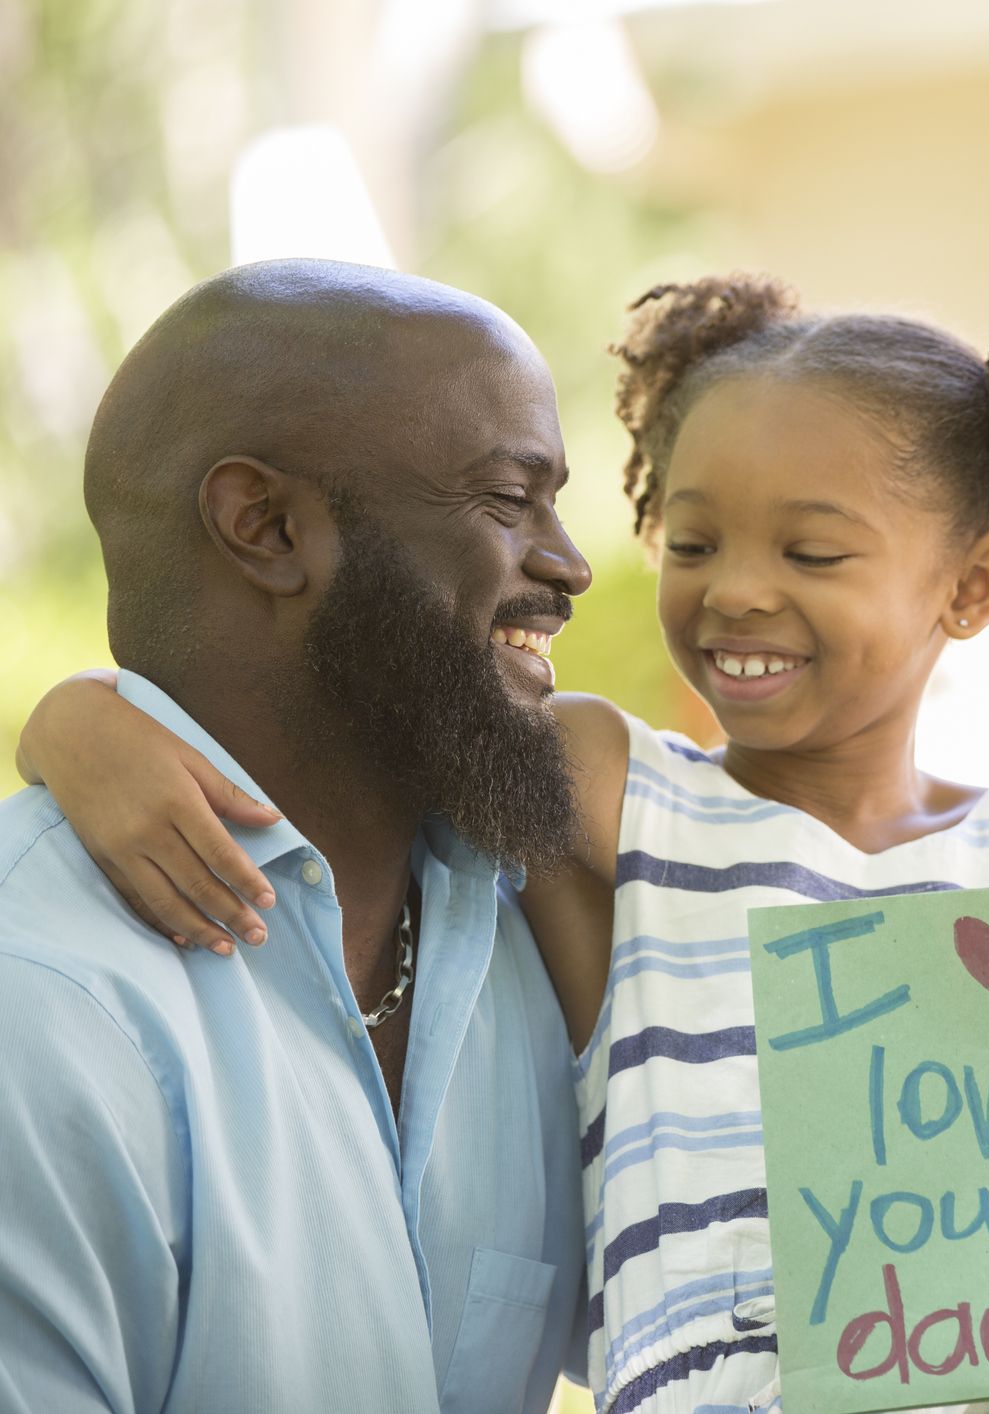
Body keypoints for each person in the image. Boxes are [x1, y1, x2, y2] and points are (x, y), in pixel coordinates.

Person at [22, 274, 989, 1413]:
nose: (733, 592)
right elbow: (345, 720)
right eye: (691, 546)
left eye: (811, 553)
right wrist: (75, 721)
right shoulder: (615, 798)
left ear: (974, 587)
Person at [0, 259, 592, 1413]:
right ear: (267, 528)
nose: (569, 564)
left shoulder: (544, 913)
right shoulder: (42, 1001)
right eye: (508, 501)